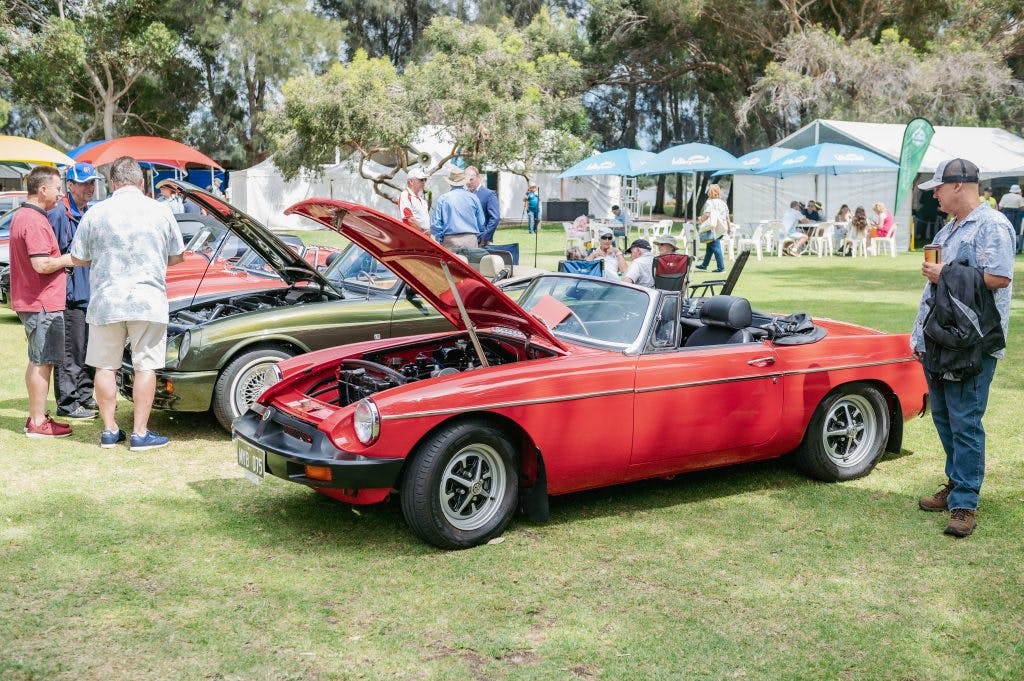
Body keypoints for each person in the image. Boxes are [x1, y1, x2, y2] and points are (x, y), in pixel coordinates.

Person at [912, 158, 1014, 538]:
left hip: (972, 342)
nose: (934, 194)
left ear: (958, 185)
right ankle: (957, 484)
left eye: (938, 187)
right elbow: (933, 291)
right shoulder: (951, 226)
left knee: (965, 421)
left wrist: (947, 273)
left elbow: (1000, 277)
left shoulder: (992, 225)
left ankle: (965, 502)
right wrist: (919, 337)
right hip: (942, 339)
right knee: (943, 416)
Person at [70, 156, 185, 451]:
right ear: (142, 182)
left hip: (106, 299)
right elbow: (177, 256)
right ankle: (140, 433)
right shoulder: (160, 210)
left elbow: (79, 257)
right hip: (147, 299)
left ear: (112, 182)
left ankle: (109, 430)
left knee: (105, 366)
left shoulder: (96, 213)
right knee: (145, 365)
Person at [11, 166, 77, 438]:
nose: (61, 193)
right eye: (58, 188)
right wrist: (71, 258)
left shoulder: (25, 215)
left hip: (35, 300)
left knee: (39, 359)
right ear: (42, 190)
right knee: (42, 361)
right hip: (41, 302)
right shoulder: (34, 220)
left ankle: (37, 417)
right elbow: (42, 264)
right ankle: (38, 422)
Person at [48, 162, 101, 420]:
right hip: (71, 296)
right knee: (72, 350)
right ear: (70, 185)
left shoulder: (87, 212)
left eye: (92, 182)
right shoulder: (59, 213)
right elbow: (53, 253)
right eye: (84, 183)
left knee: (89, 350)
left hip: (89, 294)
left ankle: (85, 395)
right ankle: (67, 403)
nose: (90, 187)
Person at [430, 167, 484, 250]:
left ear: (450, 183)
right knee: (471, 263)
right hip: (470, 240)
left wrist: (440, 240)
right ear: (464, 182)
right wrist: (478, 238)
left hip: (450, 240)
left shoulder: (443, 198)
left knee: (451, 263)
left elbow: (436, 225)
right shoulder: (473, 198)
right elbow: (481, 223)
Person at [695, 184, 730, 272]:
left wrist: (700, 219)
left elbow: (707, 214)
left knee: (715, 247)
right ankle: (704, 265)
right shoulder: (723, 203)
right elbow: (727, 217)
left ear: (710, 192)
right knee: (710, 247)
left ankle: (721, 268)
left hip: (713, 228)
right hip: (721, 228)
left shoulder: (710, 202)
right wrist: (729, 228)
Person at [465, 166, 499, 245]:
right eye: (466, 180)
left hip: (482, 241)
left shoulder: (489, 194)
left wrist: (485, 236)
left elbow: (495, 218)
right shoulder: (463, 194)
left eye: (471, 179)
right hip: (465, 239)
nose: (468, 182)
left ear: (478, 177)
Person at [398, 168, 430, 233]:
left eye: (425, 180)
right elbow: (409, 219)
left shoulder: (422, 200)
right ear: (411, 182)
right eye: (421, 180)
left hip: (423, 237)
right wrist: (423, 233)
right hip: (414, 236)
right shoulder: (405, 195)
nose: (424, 182)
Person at [997, 184, 1022, 253]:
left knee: (1005, 231)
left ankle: (1003, 249)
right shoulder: (1019, 197)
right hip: (1016, 215)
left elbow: (1000, 207)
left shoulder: (1005, 196)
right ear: (1018, 191)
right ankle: (1014, 249)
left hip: (1006, 214)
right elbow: (1022, 208)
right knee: (1015, 232)